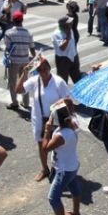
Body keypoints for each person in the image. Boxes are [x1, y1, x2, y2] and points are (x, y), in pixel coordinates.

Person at [16, 54, 71, 183]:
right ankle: (45, 169)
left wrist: (57, 109)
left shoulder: (58, 82)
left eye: (44, 69)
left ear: (49, 68)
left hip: (56, 120)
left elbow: (68, 100)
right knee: (42, 145)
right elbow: (18, 90)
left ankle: (60, 169)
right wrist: (24, 73)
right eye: (39, 69)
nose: (42, 72)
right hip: (39, 120)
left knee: (58, 146)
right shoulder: (35, 80)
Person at [42, 102, 83, 215]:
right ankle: (76, 213)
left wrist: (47, 130)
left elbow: (45, 148)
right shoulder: (73, 124)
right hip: (72, 165)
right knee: (74, 188)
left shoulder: (61, 135)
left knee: (53, 198)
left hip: (64, 169)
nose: (50, 119)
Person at [4, 11, 36, 109]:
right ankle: (26, 103)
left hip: (14, 61)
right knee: (24, 82)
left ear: (13, 20)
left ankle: (14, 102)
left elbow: (8, 48)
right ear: (22, 20)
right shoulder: (28, 33)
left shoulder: (9, 33)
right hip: (25, 61)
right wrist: (34, 59)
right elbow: (32, 48)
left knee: (13, 82)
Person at [52, 15, 81, 84]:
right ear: (64, 25)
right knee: (63, 82)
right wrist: (67, 37)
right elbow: (62, 48)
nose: (72, 22)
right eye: (69, 22)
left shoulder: (70, 30)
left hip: (74, 57)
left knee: (78, 80)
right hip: (63, 60)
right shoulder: (56, 33)